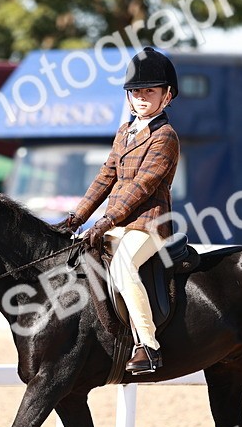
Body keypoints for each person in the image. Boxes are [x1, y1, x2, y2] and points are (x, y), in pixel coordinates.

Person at [57, 47, 180, 375]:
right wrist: (76, 218)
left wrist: (107, 219)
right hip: (117, 222)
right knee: (78, 255)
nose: (141, 97)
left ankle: (148, 346)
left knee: (124, 263)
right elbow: (106, 176)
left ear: (167, 97)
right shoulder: (124, 132)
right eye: (136, 91)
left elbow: (142, 187)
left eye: (149, 92)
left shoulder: (165, 137)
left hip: (149, 225)